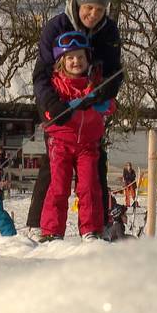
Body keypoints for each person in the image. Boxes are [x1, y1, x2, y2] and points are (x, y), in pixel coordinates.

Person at [27, 0, 123, 236]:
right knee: (54, 169)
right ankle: (38, 226)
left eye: (100, 9)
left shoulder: (109, 31)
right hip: (59, 111)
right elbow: (41, 75)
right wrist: (51, 106)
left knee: (95, 167)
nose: (94, 14)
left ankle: (98, 226)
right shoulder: (56, 27)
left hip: (90, 115)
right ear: (78, 3)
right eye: (89, 7)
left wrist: (105, 92)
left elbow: (116, 72)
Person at [38, 30, 115, 243]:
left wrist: (103, 102)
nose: (76, 62)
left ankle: (91, 229)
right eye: (70, 58)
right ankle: (52, 230)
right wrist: (59, 109)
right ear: (62, 61)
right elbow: (47, 109)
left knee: (89, 185)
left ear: (87, 59)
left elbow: (110, 105)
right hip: (61, 142)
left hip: (88, 144)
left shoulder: (94, 82)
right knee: (59, 185)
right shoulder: (56, 84)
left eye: (80, 57)